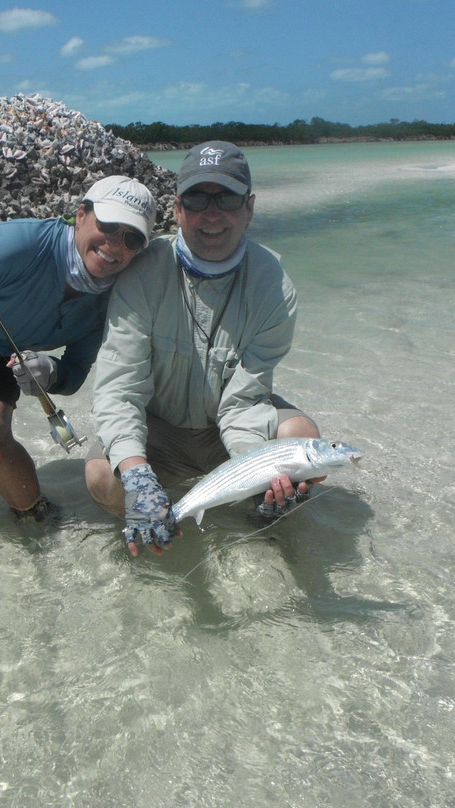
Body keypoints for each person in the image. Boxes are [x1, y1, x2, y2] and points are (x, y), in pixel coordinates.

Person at [85, 142, 321, 556]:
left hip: (224, 429)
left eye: (227, 198)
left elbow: (245, 400)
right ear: (177, 209)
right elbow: (119, 388)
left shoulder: (274, 286)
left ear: (249, 208)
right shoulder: (142, 274)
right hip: (158, 427)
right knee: (102, 475)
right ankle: (156, 529)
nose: (212, 213)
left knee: (301, 438)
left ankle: (261, 517)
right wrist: (137, 473)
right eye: (196, 198)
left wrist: (255, 469)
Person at [0, 175, 157, 524]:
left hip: (1, 346)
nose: (115, 244)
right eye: (108, 225)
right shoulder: (17, 243)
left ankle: (37, 515)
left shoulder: (115, 297)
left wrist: (50, 372)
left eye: (132, 237)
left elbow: (76, 371)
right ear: (81, 214)